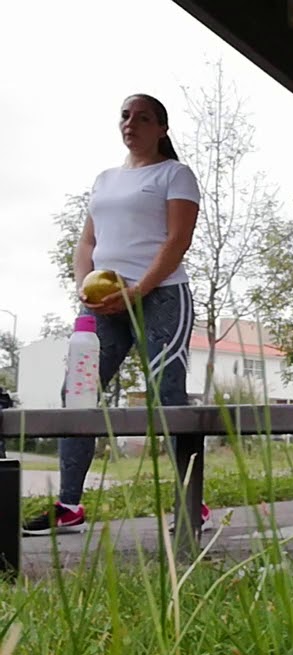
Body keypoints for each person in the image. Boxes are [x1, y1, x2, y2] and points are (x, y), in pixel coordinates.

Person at [24, 94, 201, 536]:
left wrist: (139, 289)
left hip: (161, 297)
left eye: (143, 117)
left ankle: (190, 502)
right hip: (103, 304)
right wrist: (85, 286)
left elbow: (178, 240)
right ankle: (69, 505)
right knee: (78, 394)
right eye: (125, 115)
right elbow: (86, 243)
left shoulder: (174, 174)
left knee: (169, 396)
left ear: (161, 128)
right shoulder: (104, 180)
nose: (131, 123)